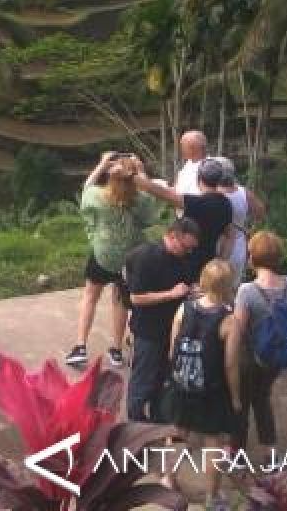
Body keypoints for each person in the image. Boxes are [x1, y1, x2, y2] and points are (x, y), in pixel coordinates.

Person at [66, 152, 155, 370]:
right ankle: (116, 350)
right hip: (130, 258)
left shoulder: (97, 196)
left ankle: (80, 347)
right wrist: (141, 171)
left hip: (103, 255)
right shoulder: (142, 199)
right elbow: (148, 218)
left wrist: (101, 164)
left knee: (90, 297)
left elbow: (85, 189)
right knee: (121, 301)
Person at [168, 258, 243, 510]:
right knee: (214, 443)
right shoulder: (229, 320)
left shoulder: (183, 309)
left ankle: (169, 479)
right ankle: (212, 496)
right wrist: (235, 397)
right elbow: (231, 365)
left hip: (182, 384)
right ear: (228, 286)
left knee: (178, 435)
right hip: (211, 391)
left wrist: (177, 374)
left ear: (203, 280)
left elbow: (173, 349)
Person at [123, 217, 200, 422]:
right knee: (143, 380)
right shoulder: (147, 257)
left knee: (163, 379)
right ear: (173, 237)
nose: (189, 252)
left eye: (192, 249)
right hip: (149, 330)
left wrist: (193, 291)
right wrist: (170, 294)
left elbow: (185, 285)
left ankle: (159, 419)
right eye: (186, 247)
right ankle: (136, 425)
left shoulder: (184, 258)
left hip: (172, 329)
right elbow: (136, 298)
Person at [233, 231, 287, 455]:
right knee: (262, 399)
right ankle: (271, 452)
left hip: (250, 357)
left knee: (240, 404)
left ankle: (238, 456)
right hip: (276, 355)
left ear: (252, 257)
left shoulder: (246, 291)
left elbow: (239, 329)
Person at [132, 158, 232, 283]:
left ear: (198, 179)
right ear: (219, 180)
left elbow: (154, 190)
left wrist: (135, 172)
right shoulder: (226, 204)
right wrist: (220, 260)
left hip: (186, 259)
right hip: (209, 262)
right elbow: (229, 236)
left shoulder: (195, 203)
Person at [212, 156, 266, 287]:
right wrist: (250, 230)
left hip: (215, 244)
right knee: (232, 288)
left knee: (212, 287)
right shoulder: (243, 192)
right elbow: (261, 212)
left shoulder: (210, 193)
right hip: (238, 244)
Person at [174, 130, 208, 196]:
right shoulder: (189, 163)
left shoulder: (209, 168)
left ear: (194, 149)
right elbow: (178, 189)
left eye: (183, 146)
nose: (181, 150)